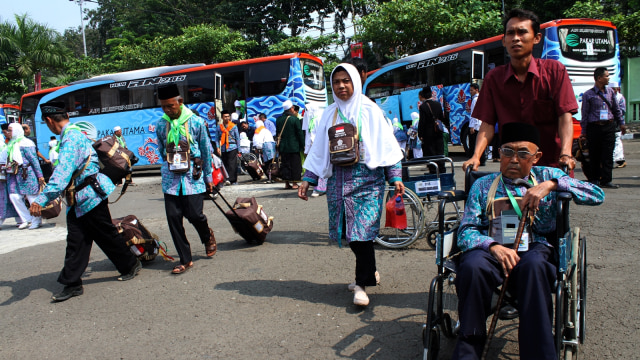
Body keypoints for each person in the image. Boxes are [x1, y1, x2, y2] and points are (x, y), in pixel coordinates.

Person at [453, 122, 604, 360]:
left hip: (534, 246)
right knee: (471, 266)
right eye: (507, 151)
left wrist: (552, 185)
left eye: (523, 153)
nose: (514, 159)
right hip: (493, 246)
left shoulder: (548, 175)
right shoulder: (482, 185)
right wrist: (493, 247)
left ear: (536, 157)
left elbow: (597, 195)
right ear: (499, 153)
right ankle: (468, 350)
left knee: (535, 267)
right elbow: (467, 230)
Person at [298, 63, 405, 307]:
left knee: (361, 234)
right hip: (338, 183)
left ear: (355, 81)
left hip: (368, 182)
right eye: (336, 82)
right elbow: (319, 150)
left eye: (346, 80)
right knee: (349, 234)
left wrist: (395, 176)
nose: (341, 85)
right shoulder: (330, 113)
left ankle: (361, 284)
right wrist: (308, 179)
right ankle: (369, 270)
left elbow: (386, 145)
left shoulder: (369, 109)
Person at [30, 101, 142, 302]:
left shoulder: (71, 139)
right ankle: (73, 282)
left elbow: (61, 175)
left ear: (48, 120)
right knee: (78, 240)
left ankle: (129, 265)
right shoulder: (74, 134)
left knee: (102, 234)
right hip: (82, 197)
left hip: (89, 196)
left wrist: (41, 199)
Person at [463, 9, 578, 172]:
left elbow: (564, 117)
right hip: (512, 170)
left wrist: (566, 154)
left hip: (551, 169)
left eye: (522, 32)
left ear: (537, 38)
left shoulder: (554, 71)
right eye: (510, 33)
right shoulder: (493, 78)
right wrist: (475, 156)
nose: (515, 38)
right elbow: (487, 124)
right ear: (504, 41)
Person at [155, 83, 217, 274]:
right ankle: (185, 259)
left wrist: (208, 177)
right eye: (163, 106)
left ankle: (207, 237)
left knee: (195, 215)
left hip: (193, 177)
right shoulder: (160, 124)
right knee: (174, 218)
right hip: (171, 181)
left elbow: (206, 150)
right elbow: (160, 149)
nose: (167, 110)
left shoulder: (196, 122)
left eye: (170, 106)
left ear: (180, 102)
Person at [580, 67, 625, 189]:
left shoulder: (610, 92)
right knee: (594, 154)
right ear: (599, 78)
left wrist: (621, 123)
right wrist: (583, 132)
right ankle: (594, 179)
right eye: (606, 76)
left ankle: (606, 180)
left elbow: (616, 109)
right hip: (594, 128)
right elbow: (585, 114)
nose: (608, 78)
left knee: (608, 154)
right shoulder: (588, 95)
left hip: (609, 127)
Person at [2, 123, 44, 230]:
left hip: (27, 173)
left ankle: (36, 220)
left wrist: (39, 175)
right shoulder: (11, 144)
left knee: (31, 197)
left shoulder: (26, 143)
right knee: (14, 196)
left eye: (10, 130)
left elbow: (34, 161)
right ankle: (26, 218)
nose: (8, 132)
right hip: (14, 175)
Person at [276, 100, 304, 190]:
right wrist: (303, 144)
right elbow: (299, 133)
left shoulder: (279, 120)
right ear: (291, 108)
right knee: (295, 165)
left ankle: (287, 183)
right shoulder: (294, 119)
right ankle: (295, 183)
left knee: (285, 164)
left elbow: (278, 133)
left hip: (283, 146)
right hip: (294, 146)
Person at [418, 87, 446, 173]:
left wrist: (420, 134)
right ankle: (442, 169)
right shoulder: (437, 104)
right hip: (438, 131)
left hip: (428, 133)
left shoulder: (423, 106)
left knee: (430, 152)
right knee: (439, 151)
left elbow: (422, 121)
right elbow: (442, 117)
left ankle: (433, 170)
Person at [301, 103, 327, 197]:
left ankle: (321, 188)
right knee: (314, 168)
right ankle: (318, 187)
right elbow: (308, 136)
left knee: (321, 167)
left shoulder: (319, 119)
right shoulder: (310, 121)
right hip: (313, 148)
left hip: (320, 147)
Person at [0, 130, 20, 230]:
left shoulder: (8, 147)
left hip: (5, 177)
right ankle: (20, 219)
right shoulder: (8, 146)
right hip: (6, 177)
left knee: (6, 198)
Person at [219, 110, 240, 185]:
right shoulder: (219, 127)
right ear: (222, 117)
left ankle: (232, 180)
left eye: (228, 116)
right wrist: (218, 148)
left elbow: (237, 138)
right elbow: (216, 138)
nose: (227, 118)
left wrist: (239, 149)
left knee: (232, 164)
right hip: (224, 148)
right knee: (225, 164)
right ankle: (227, 178)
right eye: (225, 117)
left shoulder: (233, 126)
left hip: (232, 147)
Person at [252, 118, 277, 182]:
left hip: (266, 146)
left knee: (267, 163)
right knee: (273, 161)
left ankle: (270, 177)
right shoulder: (266, 130)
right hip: (272, 145)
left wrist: (258, 149)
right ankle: (275, 176)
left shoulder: (258, 131)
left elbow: (257, 142)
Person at [468, 83, 486, 166]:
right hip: (481, 124)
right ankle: (482, 159)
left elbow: (474, 114)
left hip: (476, 125)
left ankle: (478, 159)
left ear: (476, 90)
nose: (470, 92)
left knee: (475, 143)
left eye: (472, 90)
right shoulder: (481, 98)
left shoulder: (475, 99)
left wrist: (472, 126)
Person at [610, 82, 627, 168]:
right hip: (609, 122)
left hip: (616, 122)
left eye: (615, 88)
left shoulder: (620, 97)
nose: (614, 90)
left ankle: (615, 160)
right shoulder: (607, 96)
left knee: (616, 141)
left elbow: (622, 110)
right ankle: (620, 160)